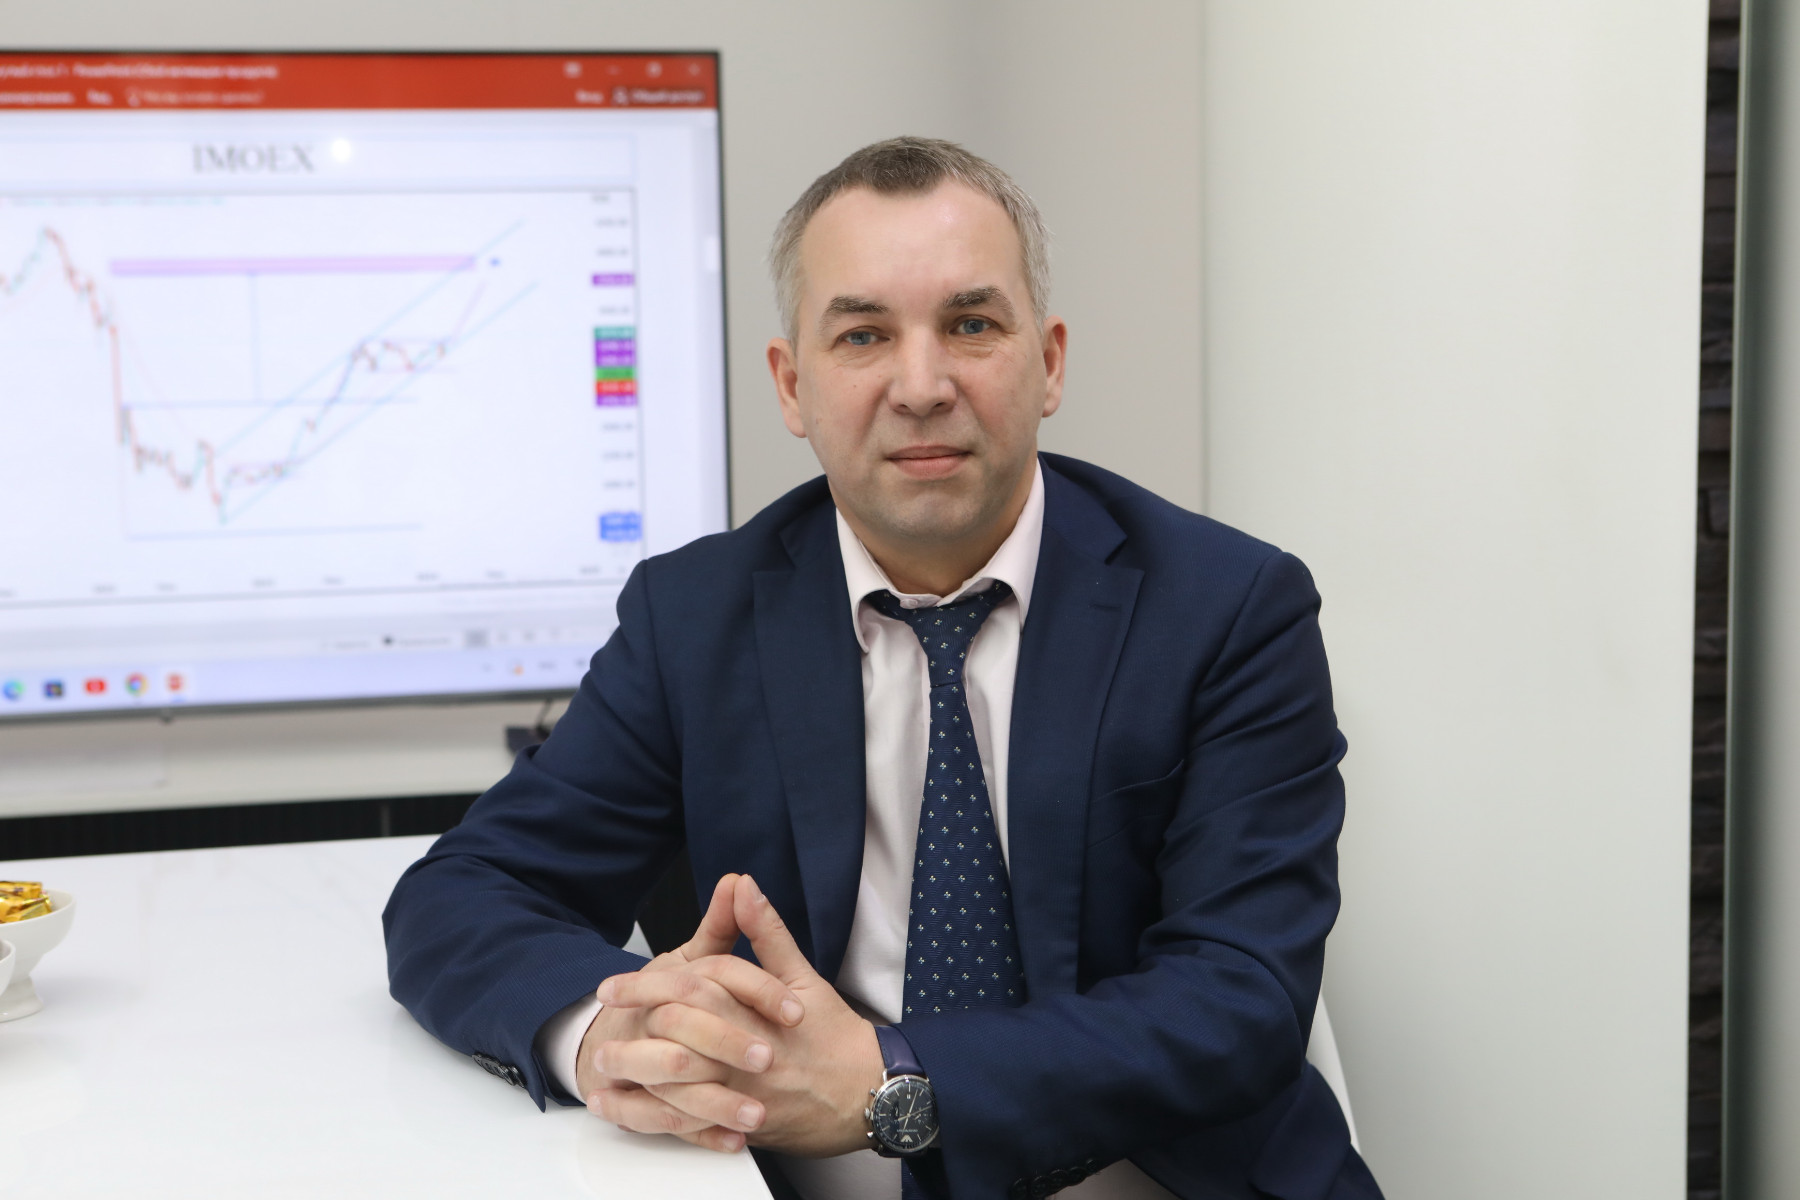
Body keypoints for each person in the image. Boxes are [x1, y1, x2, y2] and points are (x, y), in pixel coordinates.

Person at [384, 136, 1383, 1200]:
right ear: (792, 385)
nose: (922, 385)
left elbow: (1240, 998)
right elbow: (468, 891)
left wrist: (894, 1078)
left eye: (971, 325)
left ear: (1048, 363)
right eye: (863, 335)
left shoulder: (1228, 608)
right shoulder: (696, 619)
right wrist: (610, 1035)